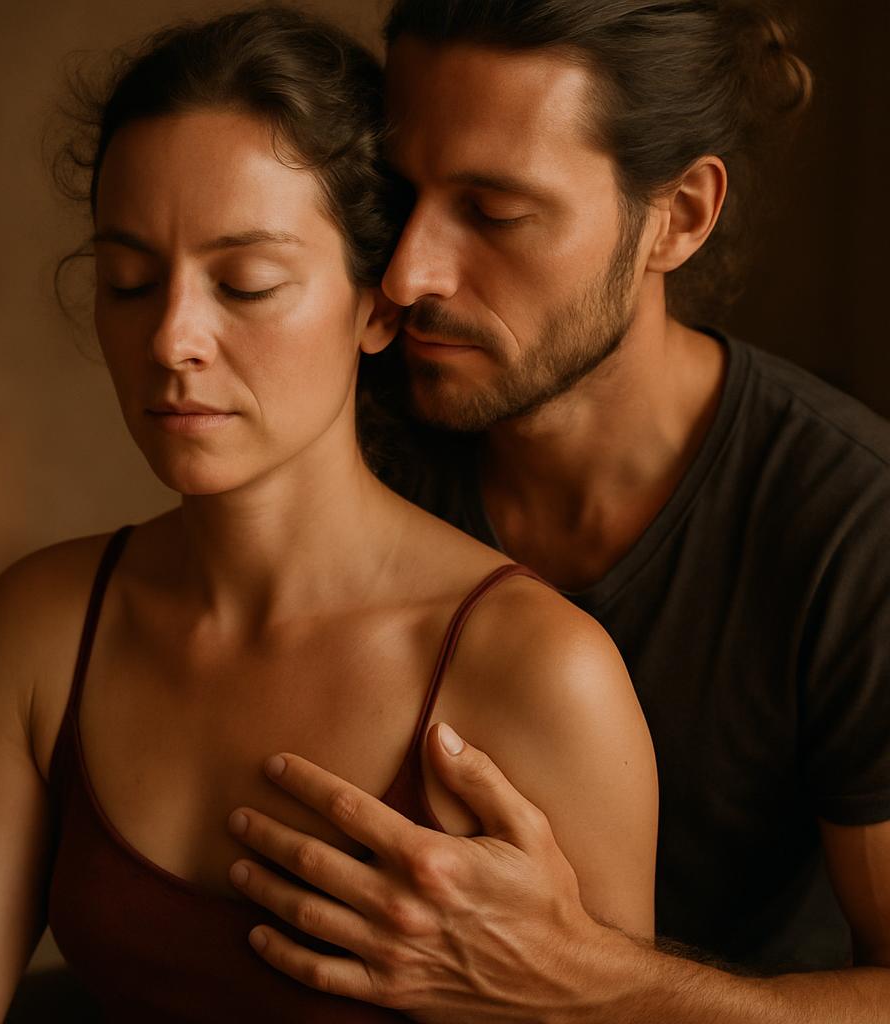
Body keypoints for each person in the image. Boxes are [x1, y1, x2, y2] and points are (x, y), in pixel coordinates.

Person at [0, 6, 658, 1023]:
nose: (171, 339)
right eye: (129, 280)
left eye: (247, 284)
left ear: (378, 305)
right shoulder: (49, 621)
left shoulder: (538, 673)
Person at [229, 1, 890, 1020]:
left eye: (493, 213)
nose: (408, 273)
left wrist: (589, 979)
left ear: (677, 217)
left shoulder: (852, 524)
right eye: (401, 193)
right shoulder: (357, 428)